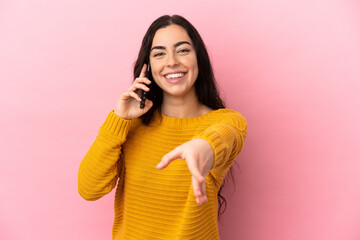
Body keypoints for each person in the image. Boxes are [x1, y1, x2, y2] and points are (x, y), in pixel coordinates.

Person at [78, 14, 247, 240]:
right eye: (159, 53)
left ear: (199, 59)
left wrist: (204, 146)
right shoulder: (130, 127)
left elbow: (226, 136)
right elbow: (89, 189)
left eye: (183, 50)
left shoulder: (225, 122)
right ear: (147, 68)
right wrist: (119, 119)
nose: (172, 62)